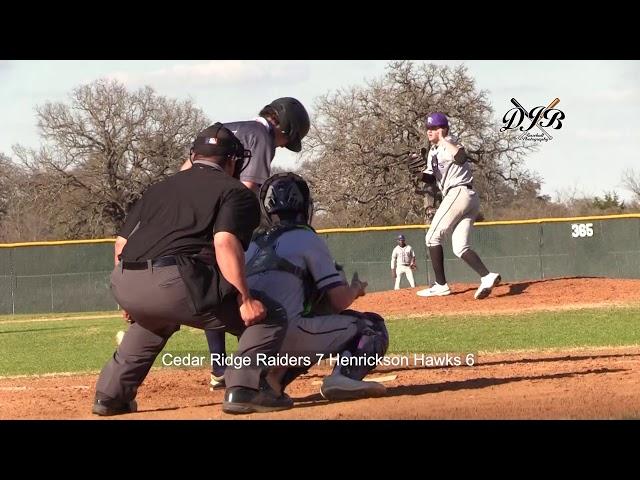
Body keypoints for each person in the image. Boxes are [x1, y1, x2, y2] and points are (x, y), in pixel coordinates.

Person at [93, 123, 292, 416]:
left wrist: (127, 302)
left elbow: (121, 244)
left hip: (125, 280)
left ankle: (109, 396)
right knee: (269, 315)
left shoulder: (158, 188)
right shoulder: (235, 191)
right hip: (175, 280)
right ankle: (244, 389)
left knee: (152, 321)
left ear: (194, 155)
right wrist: (245, 298)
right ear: (232, 161)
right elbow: (225, 244)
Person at [179, 97, 311, 391]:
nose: (279, 147)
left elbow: (183, 174)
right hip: (220, 222)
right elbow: (246, 192)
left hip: (188, 220)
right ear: (285, 127)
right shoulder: (262, 136)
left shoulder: (223, 128)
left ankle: (219, 367)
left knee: (211, 289)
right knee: (240, 290)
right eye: (286, 141)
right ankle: (247, 364)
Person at [236, 172, 389, 405]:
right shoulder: (306, 238)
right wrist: (355, 289)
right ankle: (343, 377)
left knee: (308, 317)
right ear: (304, 206)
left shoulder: (252, 244)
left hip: (252, 343)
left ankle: (270, 384)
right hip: (289, 335)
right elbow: (338, 301)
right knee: (372, 326)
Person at [408, 112, 501, 300]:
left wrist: (443, 139)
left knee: (432, 237)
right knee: (460, 247)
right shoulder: (433, 151)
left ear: (443, 129)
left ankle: (440, 285)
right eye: (428, 128)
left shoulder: (451, 142)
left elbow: (460, 157)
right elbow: (431, 179)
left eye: (434, 128)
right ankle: (487, 276)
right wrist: (418, 173)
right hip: (465, 197)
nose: (430, 131)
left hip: (458, 192)